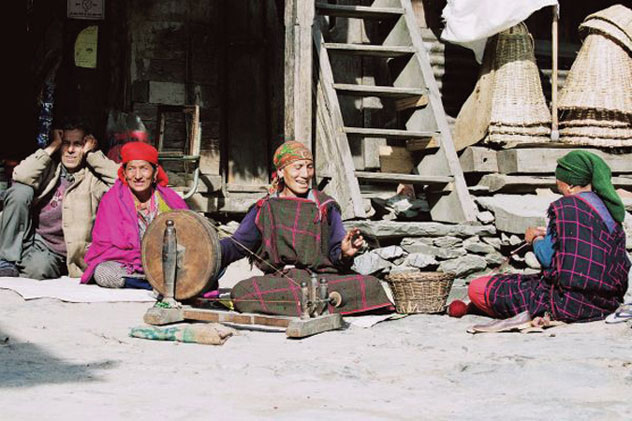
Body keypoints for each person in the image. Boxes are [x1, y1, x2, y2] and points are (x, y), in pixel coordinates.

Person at [218, 141, 393, 316]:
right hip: (282, 282)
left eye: (309, 167)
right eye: (298, 167)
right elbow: (236, 246)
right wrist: (210, 251)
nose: (305, 174)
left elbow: (336, 255)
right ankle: (322, 305)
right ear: (281, 171)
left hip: (323, 279)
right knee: (244, 292)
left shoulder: (325, 205)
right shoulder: (265, 207)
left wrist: (344, 253)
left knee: (370, 285)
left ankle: (303, 305)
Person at [468, 150, 630, 323]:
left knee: (477, 288)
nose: (557, 185)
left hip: (566, 304)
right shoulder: (608, 209)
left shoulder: (566, 208)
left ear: (570, 185)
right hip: (606, 303)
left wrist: (534, 239)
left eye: (558, 181)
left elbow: (547, 258)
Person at [0, 118, 119, 279]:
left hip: (60, 251)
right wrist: (53, 145)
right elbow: (20, 175)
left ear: (86, 145)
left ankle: (24, 261)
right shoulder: (49, 168)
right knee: (20, 191)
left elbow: (121, 181)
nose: (70, 150)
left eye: (77, 144)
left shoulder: (93, 178)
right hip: (34, 240)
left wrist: (92, 154)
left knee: (39, 269)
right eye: (65, 143)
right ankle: (7, 259)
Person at [80, 142, 188, 288]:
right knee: (103, 273)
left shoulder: (169, 199)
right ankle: (155, 284)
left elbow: (189, 235)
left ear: (155, 172)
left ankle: (160, 281)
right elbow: (103, 246)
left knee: (201, 266)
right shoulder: (112, 200)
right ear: (124, 173)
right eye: (131, 169)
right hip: (128, 264)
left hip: (165, 260)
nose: (137, 176)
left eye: (144, 169)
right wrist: (141, 257)